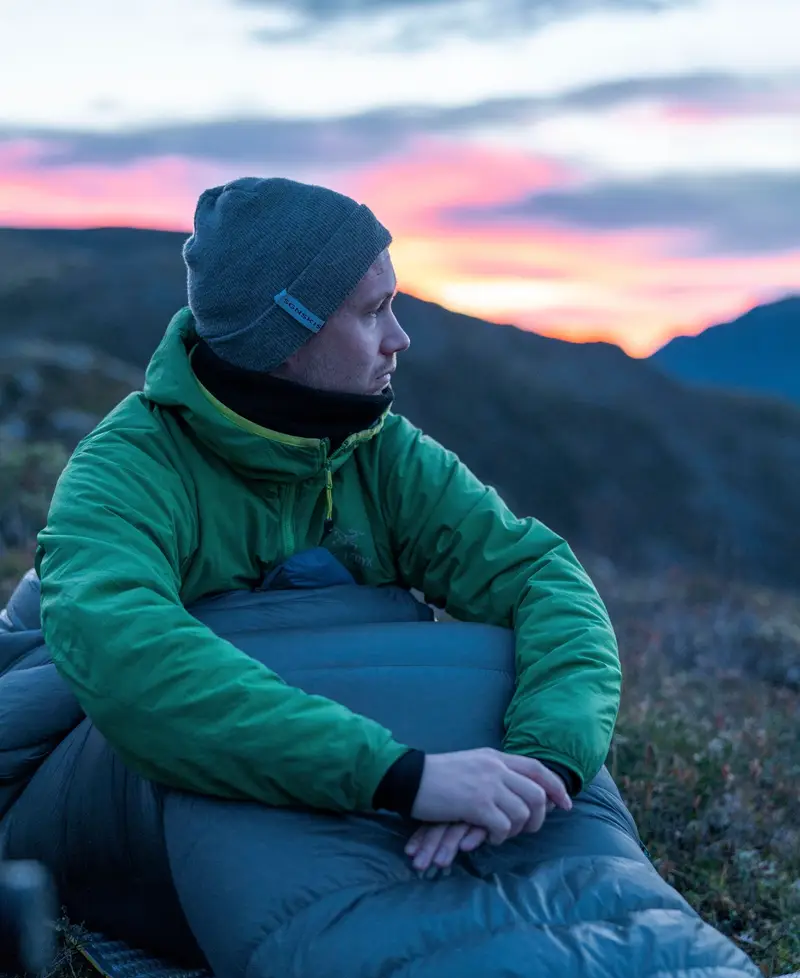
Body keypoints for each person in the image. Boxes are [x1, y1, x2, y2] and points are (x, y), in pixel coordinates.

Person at [35, 176, 622, 876]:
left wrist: (544, 763)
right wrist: (400, 777)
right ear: (286, 335)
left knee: (499, 674)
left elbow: (537, 577)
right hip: (121, 804)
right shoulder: (128, 471)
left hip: (356, 782)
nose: (399, 339)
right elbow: (125, 654)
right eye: (375, 312)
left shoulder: (380, 452)